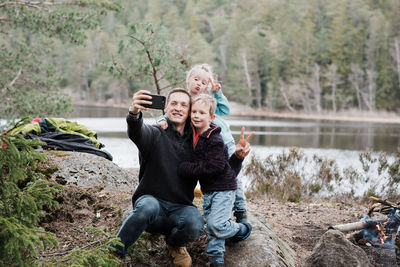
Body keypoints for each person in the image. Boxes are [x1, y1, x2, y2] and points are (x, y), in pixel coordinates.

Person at [111, 88, 251, 267]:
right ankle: (116, 251)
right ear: (165, 108)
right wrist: (134, 112)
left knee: (195, 222)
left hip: (180, 209)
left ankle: (175, 244)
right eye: (174, 103)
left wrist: (237, 157)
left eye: (184, 105)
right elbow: (136, 131)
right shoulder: (154, 133)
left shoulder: (198, 143)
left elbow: (222, 173)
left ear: (189, 112)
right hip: (151, 205)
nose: (178, 108)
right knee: (147, 206)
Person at [157, 64, 249, 223]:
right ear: (188, 79)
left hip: (225, 141)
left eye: (204, 82)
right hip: (205, 144)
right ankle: (216, 210)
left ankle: (240, 210)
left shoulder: (208, 101)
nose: (199, 83)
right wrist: (161, 120)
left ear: (208, 86)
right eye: (196, 79)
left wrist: (217, 92)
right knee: (213, 177)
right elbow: (171, 113)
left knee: (232, 176)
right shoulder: (184, 100)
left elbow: (225, 110)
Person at [178, 94, 254, 267]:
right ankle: (216, 258)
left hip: (224, 188)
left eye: (201, 113)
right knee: (214, 224)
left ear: (212, 117)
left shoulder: (215, 140)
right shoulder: (194, 133)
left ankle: (242, 229)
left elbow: (214, 168)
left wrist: (186, 168)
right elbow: (172, 118)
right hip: (209, 189)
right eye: (194, 112)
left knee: (216, 224)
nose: (196, 115)